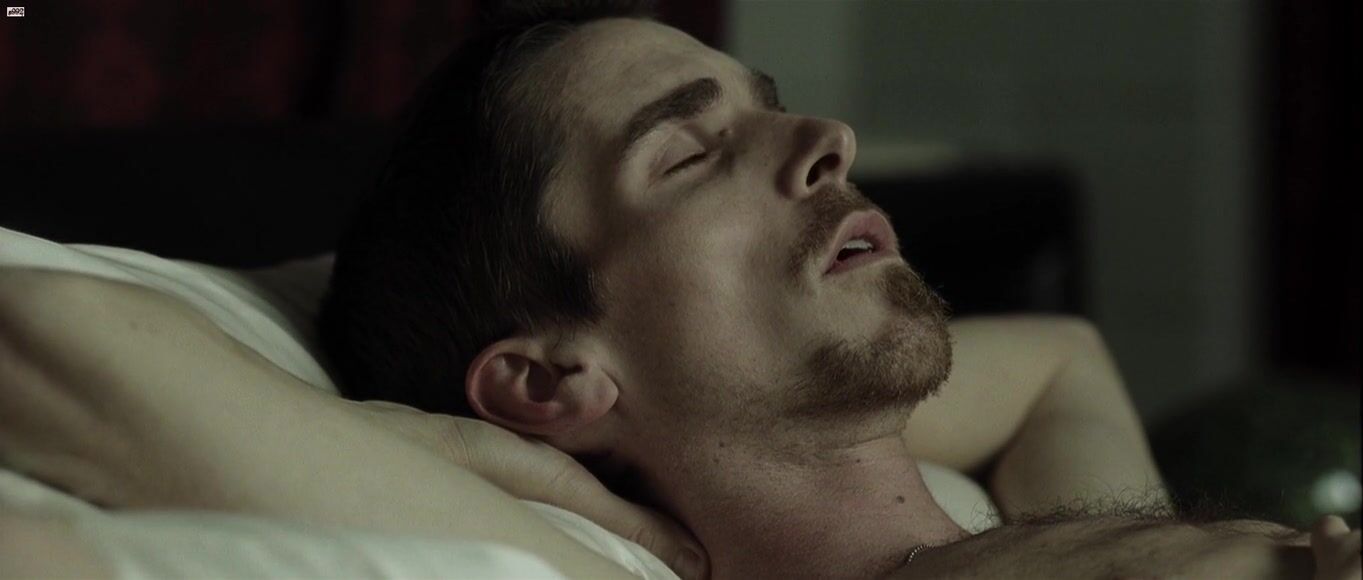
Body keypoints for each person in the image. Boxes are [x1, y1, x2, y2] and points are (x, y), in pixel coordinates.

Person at [0, 1, 1357, 579]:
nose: (826, 140)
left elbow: (1061, 355)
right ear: (552, 380)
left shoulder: (1022, 513)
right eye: (693, 154)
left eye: (767, 105)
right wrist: (493, 470)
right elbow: (47, 334)